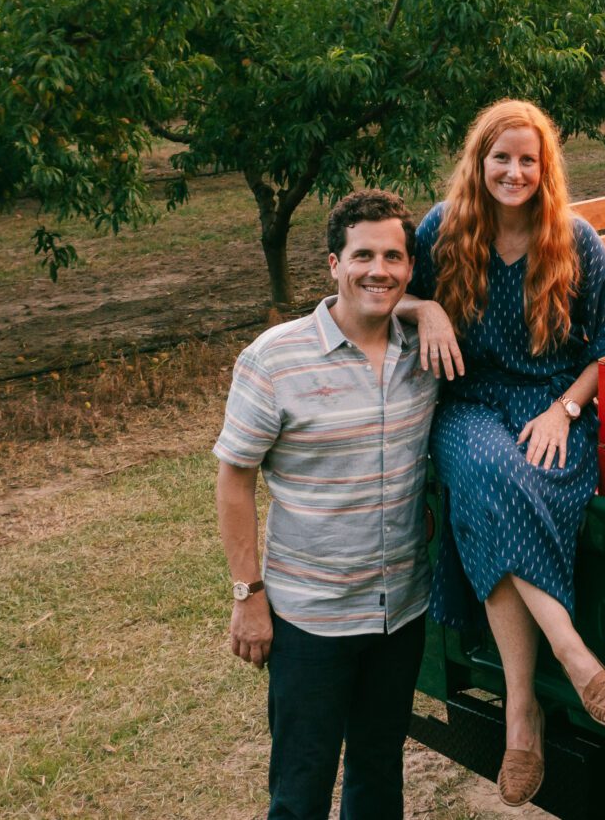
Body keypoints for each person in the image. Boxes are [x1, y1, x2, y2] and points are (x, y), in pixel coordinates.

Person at [397, 99, 605, 808]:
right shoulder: (442, 230)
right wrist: (425, 307)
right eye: (501, 157)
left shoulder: (575, 239)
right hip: (469, 403)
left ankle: (521, 713)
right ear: (479, 161)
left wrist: (565, 410)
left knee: (500, 489)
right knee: (488, 468)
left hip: (553, 406)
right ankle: (572, 652)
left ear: (544, 167)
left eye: (528, 159)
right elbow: (379, 295)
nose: (514, 171)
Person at [213, 189, 438, 820]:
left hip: (400, 612)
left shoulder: (424, 354)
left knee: (378, 774)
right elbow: (234, 478)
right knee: (300, 788)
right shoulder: (274, 359)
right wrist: (247, 595)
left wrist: (431, 311)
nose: (378, 270)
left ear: (409, 269)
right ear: (334, 264)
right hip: (311, 619)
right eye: (362, 255)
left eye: (393, 257)